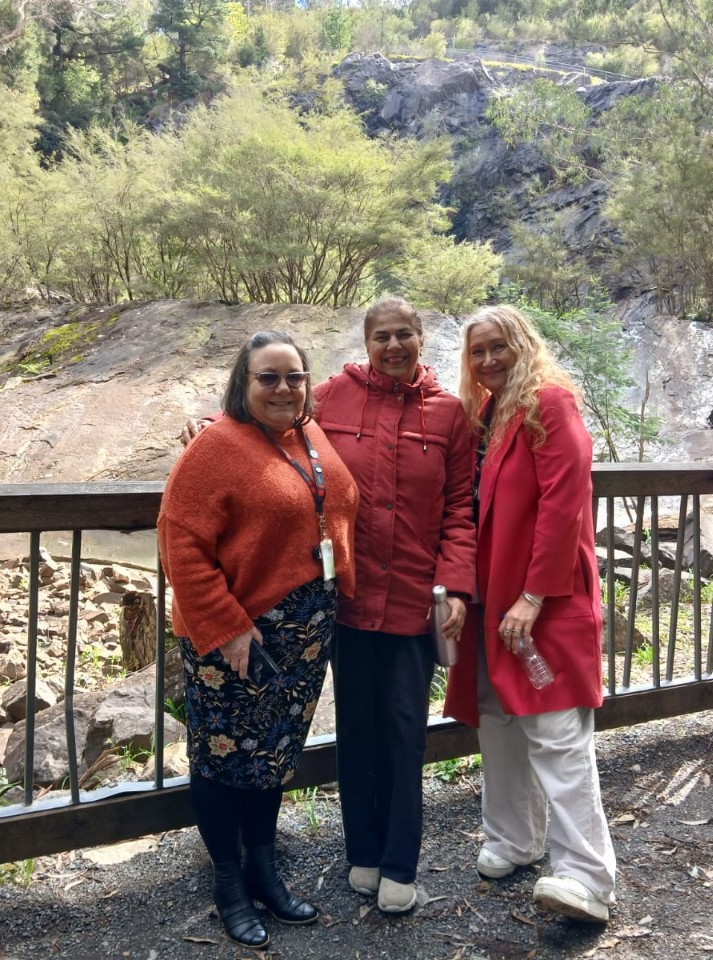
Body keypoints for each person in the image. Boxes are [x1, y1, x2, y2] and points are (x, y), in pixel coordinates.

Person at [182, 297, 477, 914]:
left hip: (389, 607)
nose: (393, 347)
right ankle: (348, 860)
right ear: (365, 344)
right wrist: (207, 425)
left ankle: (395, 864)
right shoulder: (336, 397)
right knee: (343, 737)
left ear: (422, 339)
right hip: (328, 609)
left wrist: (456, 584)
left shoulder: (448, 414)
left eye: (404, 335)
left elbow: (458, 509)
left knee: (395, 737)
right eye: (381, 337)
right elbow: (260, 423)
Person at [159, 330, 359, 949]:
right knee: (222, 760)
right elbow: (180, 543)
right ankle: (228, 884)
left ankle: (263, 870)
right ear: (242, 385)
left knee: (273, 755)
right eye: (267, 377)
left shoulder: (308, 434)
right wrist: (227, 627)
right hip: (238, 639)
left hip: (301, 638)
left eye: (293, 376)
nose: (282, 388)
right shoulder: (217, 446)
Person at [443, 304, 616, 925]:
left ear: (523, 344)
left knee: (555, 732)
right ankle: (516, 839)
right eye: (478, 351)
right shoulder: (489, 414)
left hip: (543, 604)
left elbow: (563, 503)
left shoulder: (551, 403)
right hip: (493, 600)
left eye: (499, 347)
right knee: (497, 721)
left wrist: (534, 595)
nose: (488, 360)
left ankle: (587, 875)